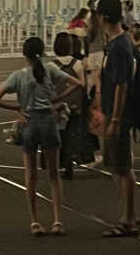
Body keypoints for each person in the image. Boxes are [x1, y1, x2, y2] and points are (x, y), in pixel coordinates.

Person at [0, 35, 81, 236]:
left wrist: (18, 108)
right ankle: (57, 221)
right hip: (48, 123)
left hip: (29, 124)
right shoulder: (50, 70)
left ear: (24, 55)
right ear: (42, 53)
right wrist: (56, 99)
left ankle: (34, 222)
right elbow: (77, 83)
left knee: (30, 176)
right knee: (54, 175)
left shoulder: (18, 75)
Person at [97, 0, 138, 237]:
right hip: (111, 111)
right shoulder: (116, 43)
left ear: (103, 17)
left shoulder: (120, 46)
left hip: (117, 115)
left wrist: (114, 119)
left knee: (122, 167)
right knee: (114, 164)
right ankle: (128, 212)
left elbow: (122, 85)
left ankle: (128, 219)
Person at [52, 31, 90, 180]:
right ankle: (70, 163)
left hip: (57, 105)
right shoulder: (77, 64)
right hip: (75, 104)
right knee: (72, 134)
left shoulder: (51, 65)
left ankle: (59, 162)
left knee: (58, 134)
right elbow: (83, 84)